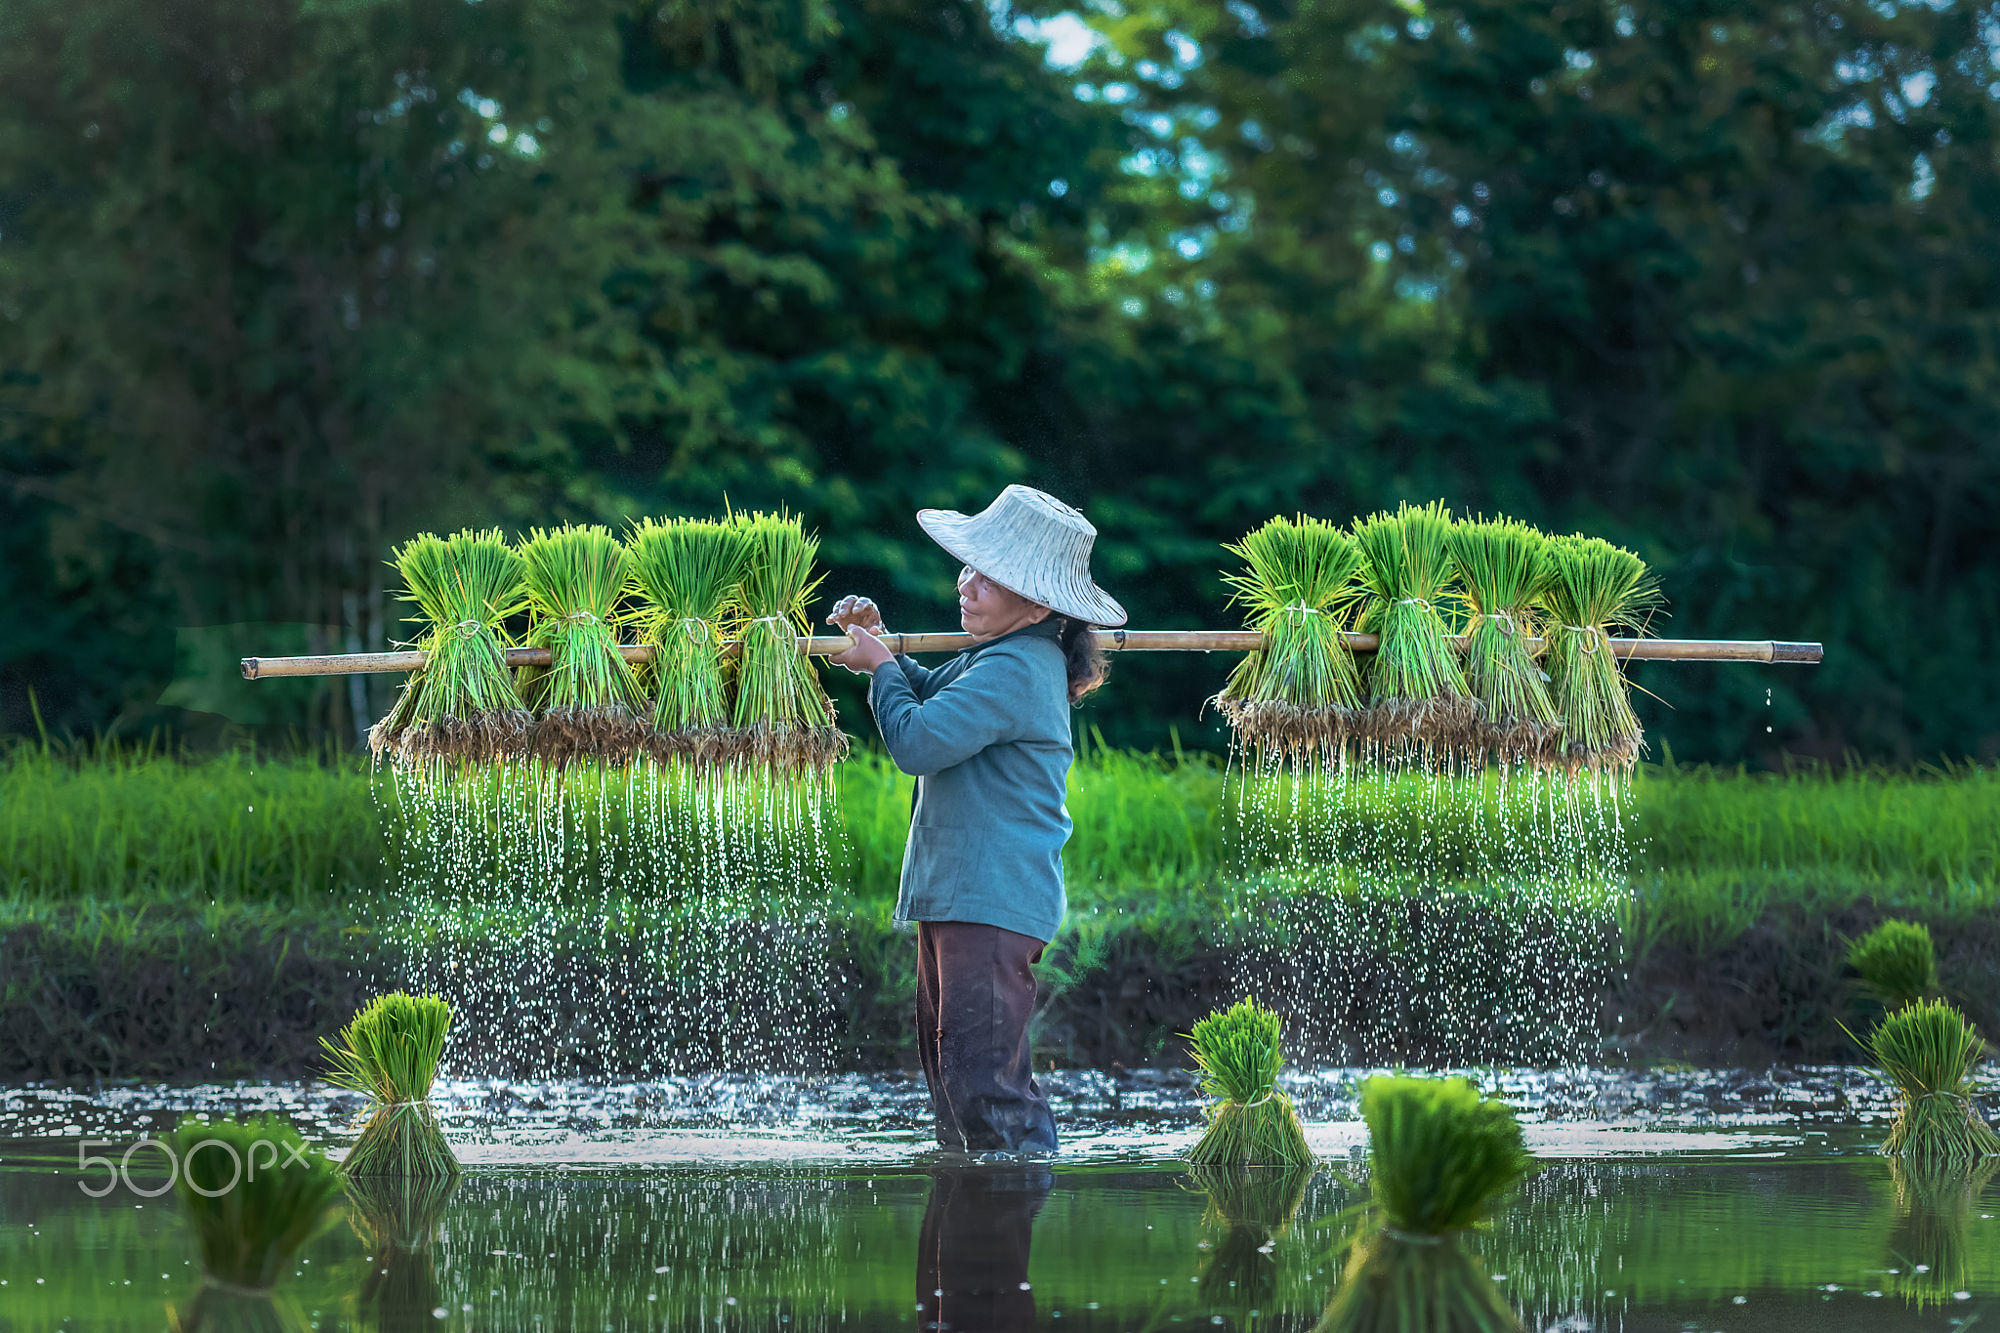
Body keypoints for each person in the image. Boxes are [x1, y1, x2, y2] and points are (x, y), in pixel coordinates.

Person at [825, 484, 1126, 1155]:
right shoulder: (997, 658)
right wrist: (883, 653)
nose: (968, 584)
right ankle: (966, 1238)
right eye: (969, 568)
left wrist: (881, 670)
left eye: (990, 577)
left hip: (990, 902)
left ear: (1040, 603)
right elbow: (932, 695)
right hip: (963, 896)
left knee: (985, 1087)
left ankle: (1004, 1223)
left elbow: (919, 740)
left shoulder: (1020, 667)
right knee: (952, 1078)